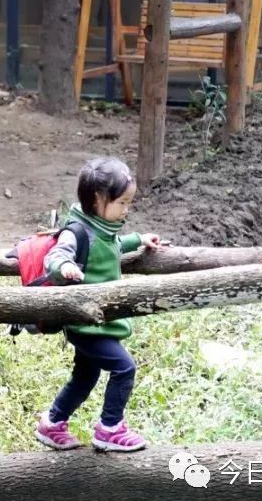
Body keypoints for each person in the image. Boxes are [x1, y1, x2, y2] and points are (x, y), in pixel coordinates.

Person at [34, 157, 166, 453]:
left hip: (99, 321)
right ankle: (110, 428)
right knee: (124, 368)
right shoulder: (77, 231)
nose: (126, 210)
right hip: (85, 321)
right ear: (98, 199)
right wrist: (65, 267)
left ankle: (52, 423)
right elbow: (54, 258)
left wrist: (140, 240)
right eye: (122, 203)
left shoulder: (102, 228)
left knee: (85, 376)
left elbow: (114, 245)